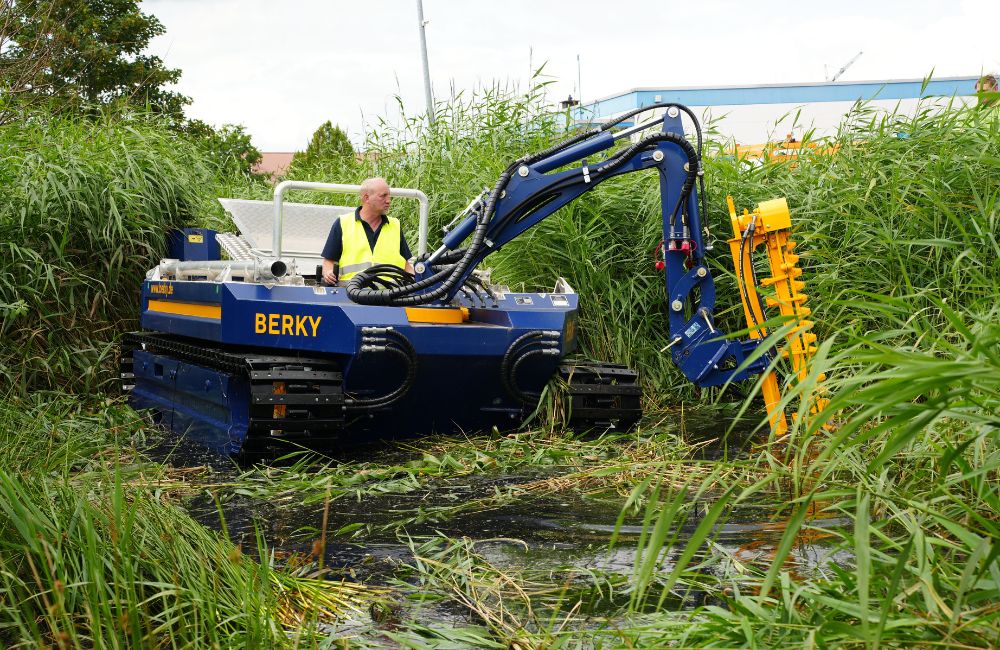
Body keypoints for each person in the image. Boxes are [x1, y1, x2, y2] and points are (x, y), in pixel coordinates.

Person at [320, 177, 415, 285]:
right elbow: (328, 261)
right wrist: (328, 273)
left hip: (390, 298)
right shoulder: (343, 223)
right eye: (383, 196)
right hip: (351, 297)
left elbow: (406, 265)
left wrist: (418, 282)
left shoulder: (395, 225)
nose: (388, 200)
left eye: (389, 196)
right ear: (366, 198)